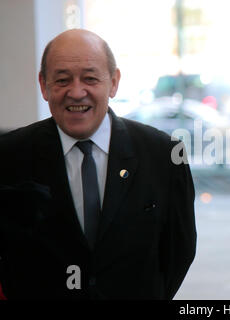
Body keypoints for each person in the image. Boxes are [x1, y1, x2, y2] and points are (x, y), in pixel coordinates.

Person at [0, 29, 196, 300]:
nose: (77, 92)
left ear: (114, 83)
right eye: (62, 80)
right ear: (44, 85)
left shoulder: (163, 154)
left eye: (90, 78)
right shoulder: (10, 155)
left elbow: (179, 251)